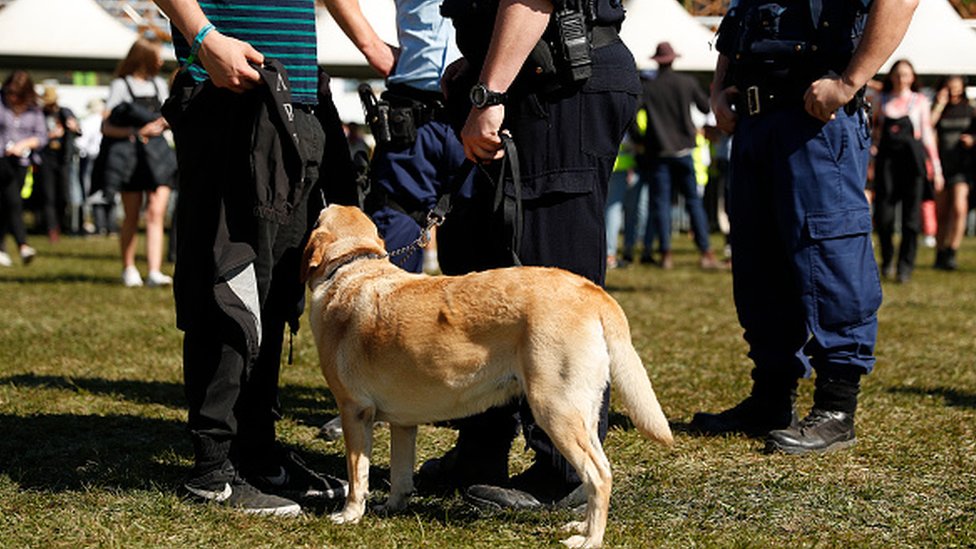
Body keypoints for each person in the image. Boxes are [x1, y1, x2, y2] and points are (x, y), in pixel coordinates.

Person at [423, 0, 640, 508]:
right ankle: (481, 449)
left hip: (562, 81)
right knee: (485, 279)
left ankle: (565, 470)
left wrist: (490, 88)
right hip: (533, 73)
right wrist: (482, 64)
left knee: (553, 280)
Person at [689, 0, 917, 454]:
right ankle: (771, 399)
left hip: (816, 122)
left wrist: (851, 81)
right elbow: (740, 17)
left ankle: (836, 408)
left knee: (831, 257)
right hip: (756, 123)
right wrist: (718, 88)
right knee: (759, 265)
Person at [149, 0, 347, 516]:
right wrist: (204, 38)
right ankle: (213, 470)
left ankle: (255, 451)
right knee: (229, 283)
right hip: (230, 97)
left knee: (275, 290)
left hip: (292, 99)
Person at [323, 0, 465, 274]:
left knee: (485, 270)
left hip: (481, 107)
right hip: (411, 117)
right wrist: (371, 45)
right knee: (391, 263)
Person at [98, 38, 176, 288]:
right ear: (144, 57)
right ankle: (129, 267)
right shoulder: (121, 85)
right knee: (131, 214)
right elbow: (106, 126)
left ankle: (154, 270)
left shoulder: (159, 84)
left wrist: (161, 124)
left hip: (158, 157)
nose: (162, 60)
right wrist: (136, 130)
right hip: (131, 158)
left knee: (156, 212)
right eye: (157, 55)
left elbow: (169, 116)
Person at [637, 41, 719, 270]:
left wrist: (641, 140)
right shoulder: (687, 83)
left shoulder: (649, 88)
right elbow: (705, 108)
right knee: (693, 201)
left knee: (661, 204)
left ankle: (665, 254)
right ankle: (705, 252)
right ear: (673, 60)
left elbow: (632, 117)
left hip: (658, 152)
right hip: (684, 150)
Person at [872, 59, 943, 283]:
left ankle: (905, 266)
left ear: (912, 77)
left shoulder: (919, 101)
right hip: (887, 164)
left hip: (912, 163)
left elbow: (927, 135)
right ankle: (887, 261)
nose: (902, 78)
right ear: (891, 76)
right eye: (898, 73)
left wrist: (936, 168)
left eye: (906, 74)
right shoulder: (880, 100)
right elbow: (874, 132)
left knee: (911, 220)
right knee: (884, 217)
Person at [0, 70, 45, 267]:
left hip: (22, 163)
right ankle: (22, 245)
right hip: (2, 160)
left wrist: (24, 144)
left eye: (17, 94)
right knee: (13, 201)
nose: (12, 98)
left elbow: (42, 136)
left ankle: (1, 247)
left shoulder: (34, 110)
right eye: (10, 92)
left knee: (6, 205)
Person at [931, 75, 975, 271]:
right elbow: (927, 127)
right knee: (941, 212)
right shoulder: (939, 109)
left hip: (962, 167)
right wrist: (939, 104)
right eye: (950, 88)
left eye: (957, 88)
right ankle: (940, 252)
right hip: (941, 166)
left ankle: (952, 250)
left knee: (959, 208)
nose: (953, 92)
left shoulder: (970, 110)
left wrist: (972, 140)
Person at [34, 86, 79, 242]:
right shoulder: (39, 114)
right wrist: (49, 136)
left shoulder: (65, 112)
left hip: (63, 159)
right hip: (46, 159)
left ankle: (61, 223)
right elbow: (34, 136)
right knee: (48, 195)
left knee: (63, 195)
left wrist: (74, 127)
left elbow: (79, 131)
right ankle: (51, 228)